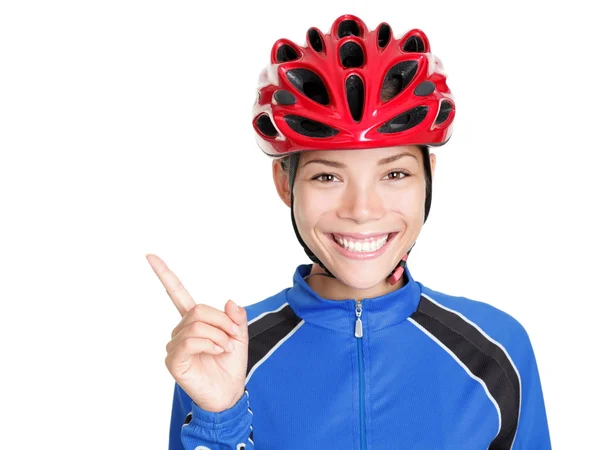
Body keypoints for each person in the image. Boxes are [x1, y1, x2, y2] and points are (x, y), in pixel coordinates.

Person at [149, 14, 551, 449]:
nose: (362, 210)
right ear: (285, 184)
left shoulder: (494, 352)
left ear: (428, 177)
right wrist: (218, 418)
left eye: (394, 174)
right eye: (327, 177)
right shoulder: (227, 356)